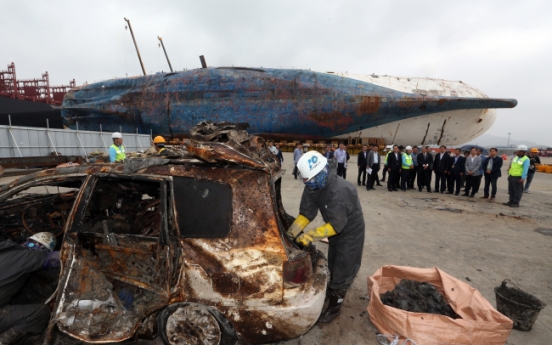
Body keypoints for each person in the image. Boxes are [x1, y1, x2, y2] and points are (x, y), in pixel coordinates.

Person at [287, 151, 364, 323]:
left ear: (321, 173)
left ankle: (335, 306)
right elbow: (306, 213)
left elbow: (337, 225)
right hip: (333, 228)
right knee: (333, 261)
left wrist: (311, 235)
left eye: (309, 180)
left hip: (350, 232)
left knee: (344, 265)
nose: (306, 183)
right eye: (304, 180)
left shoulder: (341, 191)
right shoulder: (313, 184)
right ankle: (333, 290)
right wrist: (290, 235)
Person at [0, 232, 60, 344]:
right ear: (41, 247)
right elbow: (56, 259)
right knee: (40, 312)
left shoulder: (4, 249)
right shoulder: (29, 255)